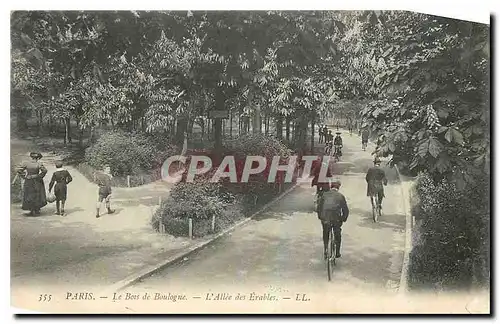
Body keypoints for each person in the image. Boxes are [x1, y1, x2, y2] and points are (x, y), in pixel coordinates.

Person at [317, 178, 349, 259]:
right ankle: (337, 252)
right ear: (338, 188)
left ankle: (326, 249)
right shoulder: (341, 196)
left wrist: (320, 217)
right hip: (336, 219)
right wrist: (343, 219)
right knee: (337, 234)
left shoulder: (324, 195)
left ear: (331, 186)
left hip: (325, 218)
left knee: (325, 233)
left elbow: (319, 208)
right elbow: (345, 210)